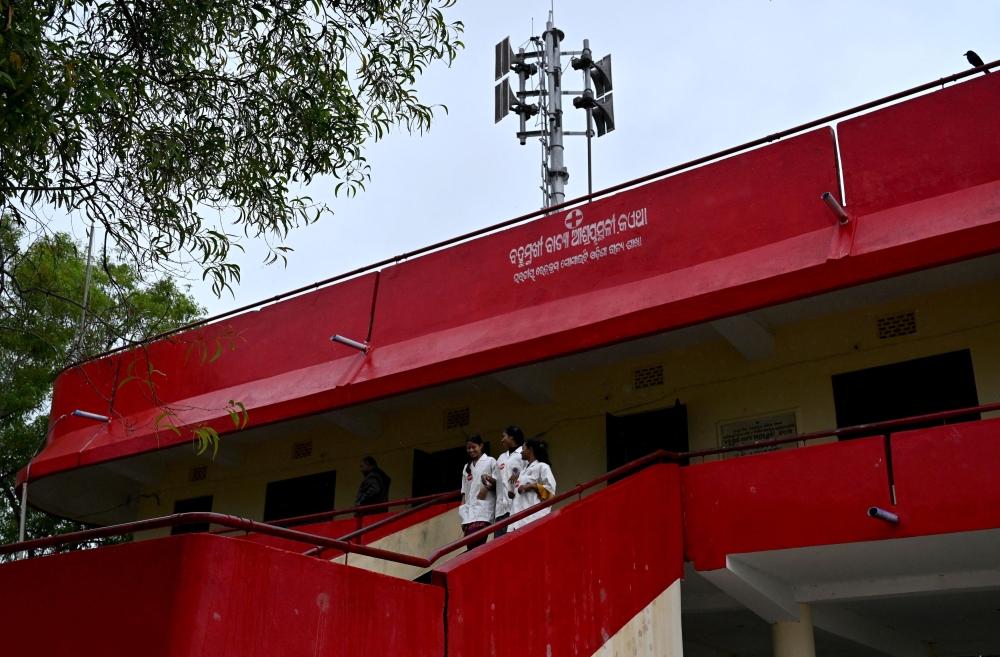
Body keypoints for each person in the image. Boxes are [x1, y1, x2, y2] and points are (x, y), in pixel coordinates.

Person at [483, 425, 524, 538]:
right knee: (500, 542)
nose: (502, 440)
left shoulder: (523, 454)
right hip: (501, 509)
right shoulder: (501, 458)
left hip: (517, 505)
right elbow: (496, 479)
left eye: (504, 436)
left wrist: (519, 474)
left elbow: (532, 473)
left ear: (512, 437)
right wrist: (487, 478)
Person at [458, 434, 497, 550]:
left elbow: (498, 481)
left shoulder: (490, 461)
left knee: (476, 544)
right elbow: (464, 491)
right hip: (469, 513)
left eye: (473, 447)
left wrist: (487, 488)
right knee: (470, 546)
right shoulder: (466, 467)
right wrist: (462, 511)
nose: (471, 450)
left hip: (483, 511)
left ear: (481, 446)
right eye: (468, 448)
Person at [510, 438, 556, 531]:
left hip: (532, 518)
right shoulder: (523, 471)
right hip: (517, 519)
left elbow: (550, 491)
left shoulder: (542, 466)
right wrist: (513, 494)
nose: (521, 452)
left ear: (530, 449)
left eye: (523, 449)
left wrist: (531, 486)